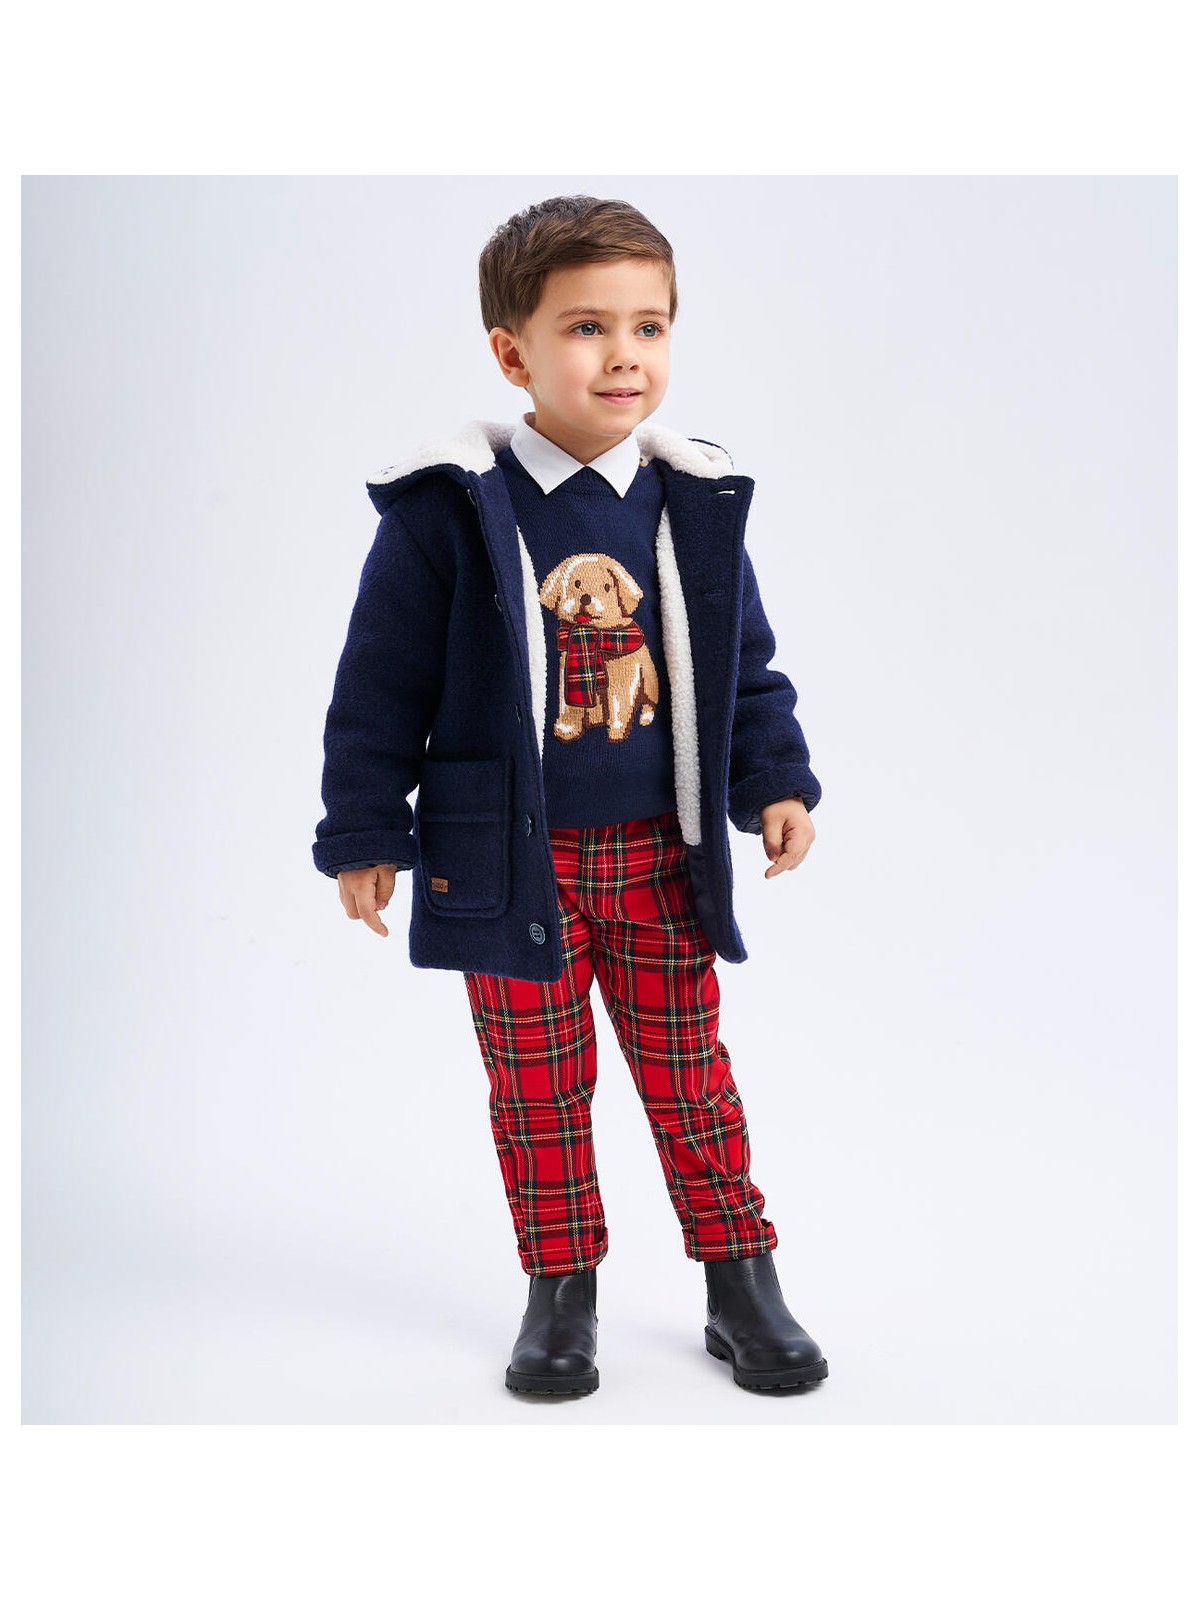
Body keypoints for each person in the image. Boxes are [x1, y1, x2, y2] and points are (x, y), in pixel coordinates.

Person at [313, 195, 829, 1397]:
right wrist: (365, 829)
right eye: (587, 327)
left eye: (649, 327)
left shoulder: (693, 498)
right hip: (509, 863)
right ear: (514, 353)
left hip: (659, 857)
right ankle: (561, 1289)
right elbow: (379, 683)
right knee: (537, 1089)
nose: (623, 356)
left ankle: (741, 1277)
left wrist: (774, 780)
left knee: (689, 1073)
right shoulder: (452, 507)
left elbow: (744, 666)